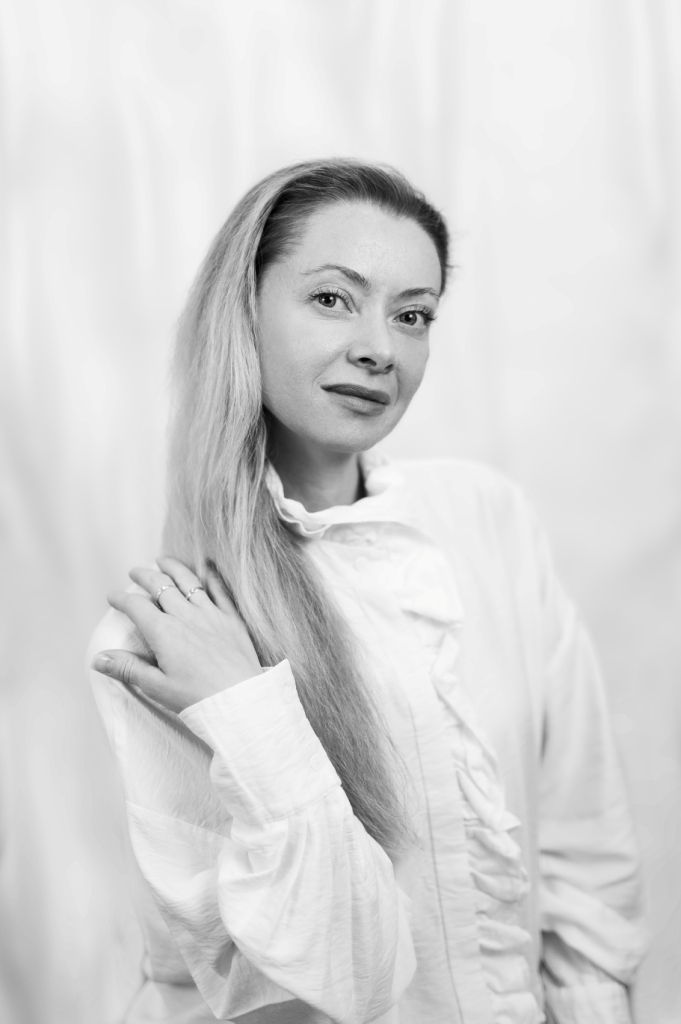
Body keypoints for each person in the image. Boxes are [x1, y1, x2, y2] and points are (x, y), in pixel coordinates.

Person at [88, 159, 647, 1024]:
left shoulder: (486, 519)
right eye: (332, 299)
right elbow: (333, 981)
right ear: (242, 309)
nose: (379, 348)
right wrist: (250, 714)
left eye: (412, 314)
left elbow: (583, 846)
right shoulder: (164, 637)